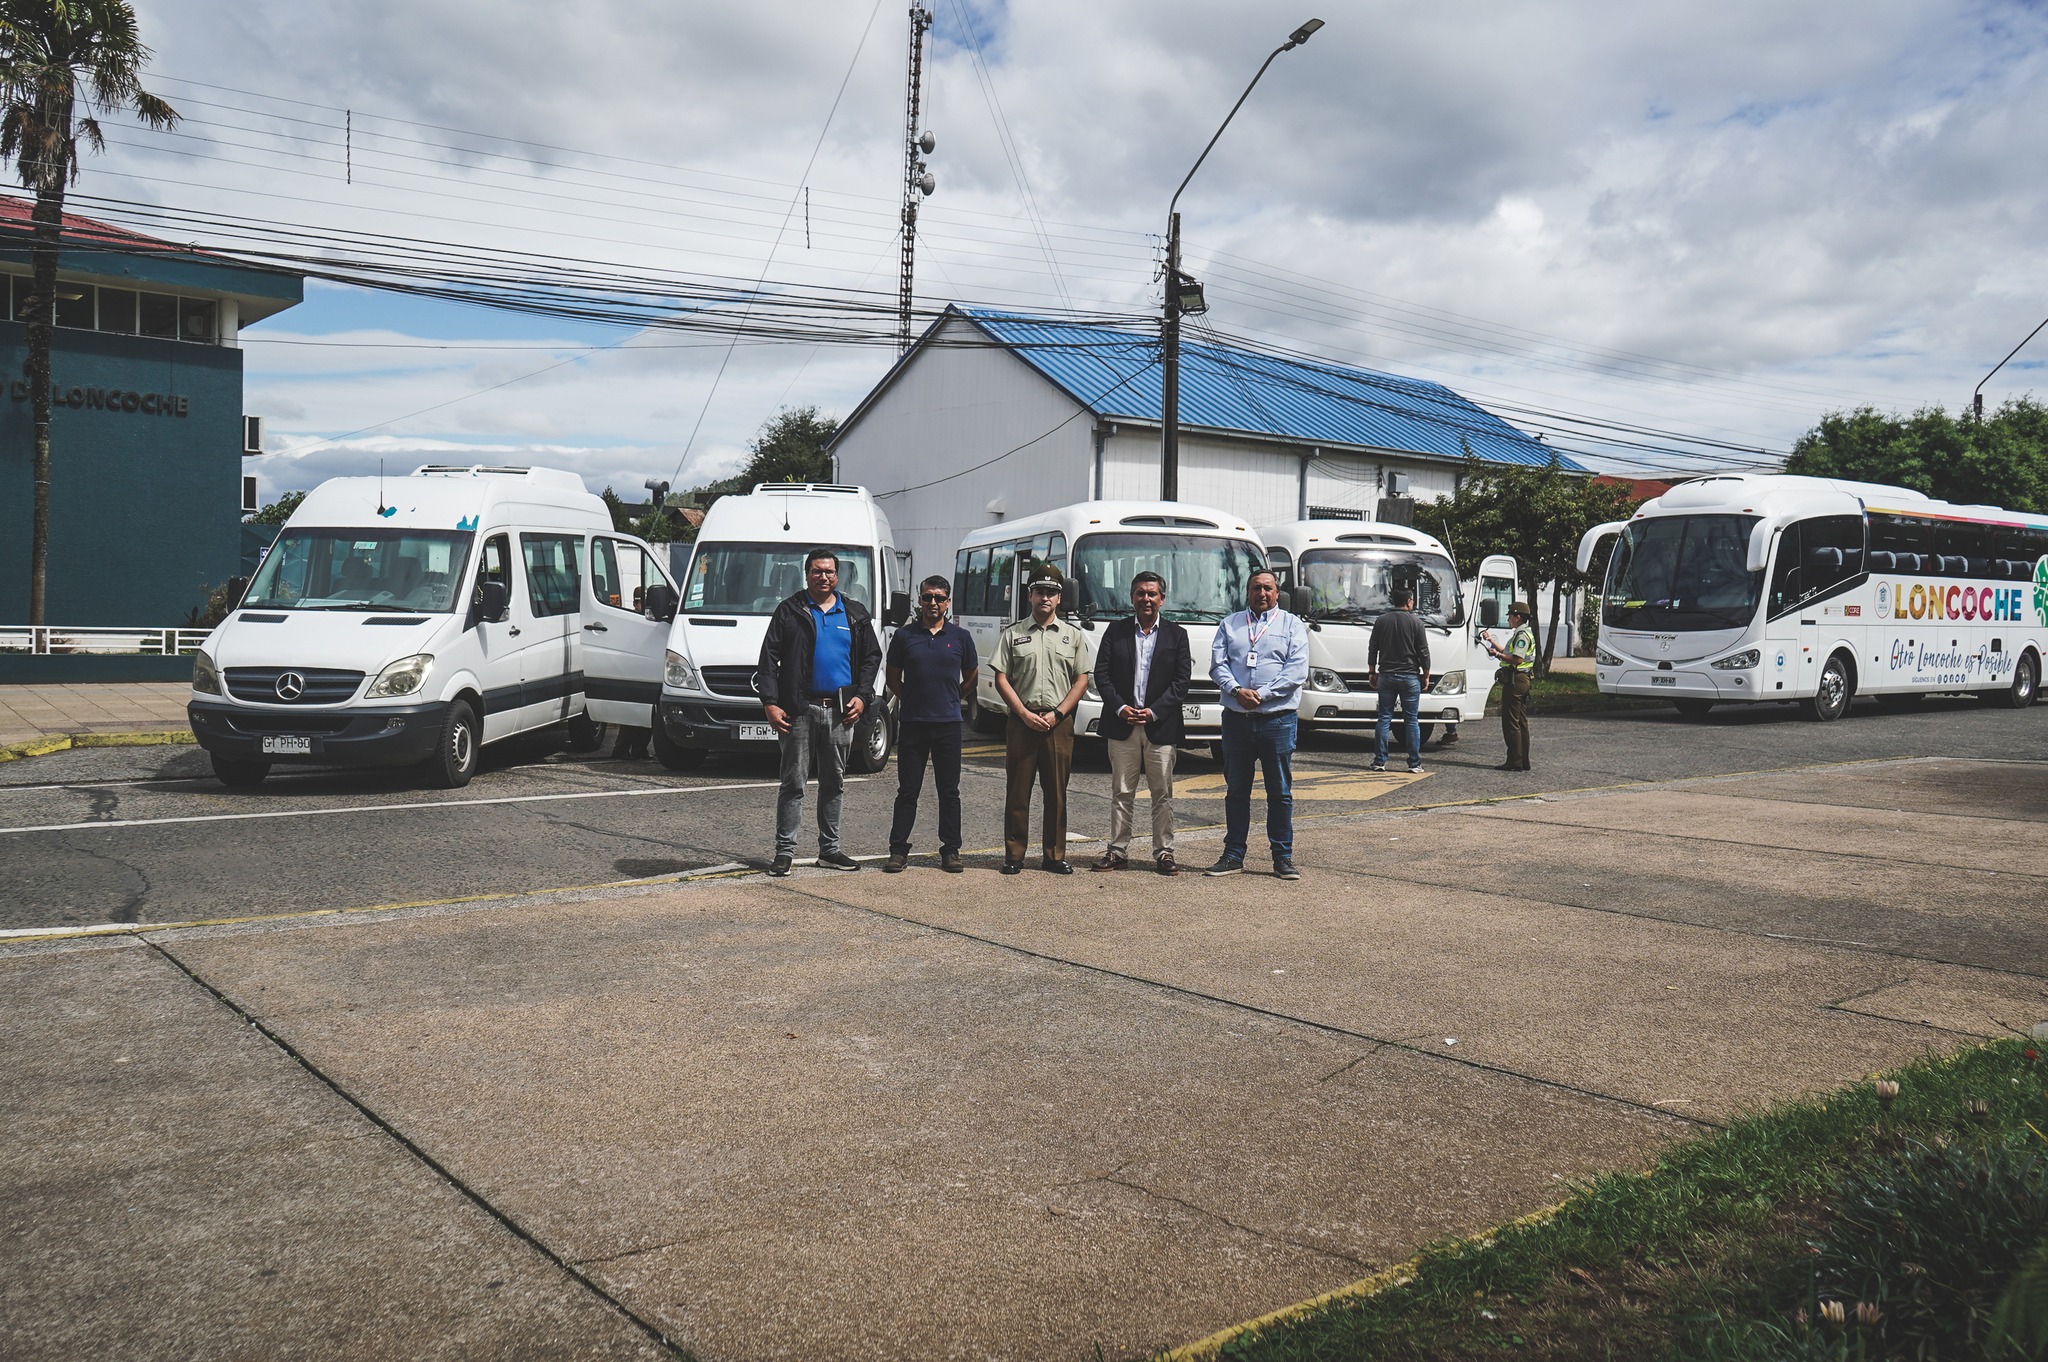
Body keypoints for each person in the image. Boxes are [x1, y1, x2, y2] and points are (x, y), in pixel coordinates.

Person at [756, 548, 882, 876]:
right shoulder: (790, 611)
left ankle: (830, 850)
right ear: (806, 574)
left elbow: (872, 657)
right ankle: (784, 852)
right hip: (799, 710)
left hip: (840, 712)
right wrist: (770, 702)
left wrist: (863, 697)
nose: (823, 577)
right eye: (816, 571)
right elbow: (768, 659)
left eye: (828, 572)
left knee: (834, 782)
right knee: (793, 783)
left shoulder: (854, 614)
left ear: (837, 576)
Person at [1206, 568, 1311, 880]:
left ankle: (1282, 857)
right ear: (1247, 592)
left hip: (1276, 720)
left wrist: (1261, 695)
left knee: (1279, 792)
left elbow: (1296, 671)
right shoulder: (1230, 624)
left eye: (1268, 588)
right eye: (1256, 588)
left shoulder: (1292, 625)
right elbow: (1218, 665)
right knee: (1236, 790)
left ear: (1277, 593)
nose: (1262, 594)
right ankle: (1233, 854)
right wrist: (1237, 691)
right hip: (1237, 720)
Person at [991, 566, 1093, 875]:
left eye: (1051, 592)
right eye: (1039, 592)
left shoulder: (1073, 636)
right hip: (1022, 722)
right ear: (1030, 595)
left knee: (1057, 792)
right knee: (1018, 792)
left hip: (1057, 722)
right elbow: (1001, 678)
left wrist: (1058, 712)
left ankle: (1054, 855)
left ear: (1059, 598)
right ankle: (1014, 855)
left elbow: (1081, 680)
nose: (1045, 597)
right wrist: (1022, 713)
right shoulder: (1013, 634)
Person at [1090, 571, 1192, 875]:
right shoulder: (1116, 631)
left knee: (1162, 794)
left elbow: (1181, 681)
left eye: (1151, 594)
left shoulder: (1177, 634)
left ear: (1162, 598)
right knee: (1122, 791)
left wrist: (1154, 711)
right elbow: (1102, 675)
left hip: (1160, 726)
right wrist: (1120, 707)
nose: (1145, 599)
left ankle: (1164, 852)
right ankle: (1118, 851)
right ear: (1132, 597)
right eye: (1140, 593)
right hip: (1123, 725)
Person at [883, 575, 978, 874]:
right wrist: (909, 698)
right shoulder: (904, 636)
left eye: (939, 598)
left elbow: (972, 674)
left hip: (948, 723)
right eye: (927, 597)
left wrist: (954, 696)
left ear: (948, 602)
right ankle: (898, 850)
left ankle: (951, 851)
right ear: (919, 600)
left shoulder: (961, 638)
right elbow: (893, 676)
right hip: (913, 723)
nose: (932, 603)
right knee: (908, 790)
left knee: (949, 791)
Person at [1366, 586, 1430, 774]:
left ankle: (1379, 761)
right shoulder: (1416, 623)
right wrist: (1426, 675)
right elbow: (1423, 652)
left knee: (1384, 718)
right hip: (1410, 676)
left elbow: (1373, 647)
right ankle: (1414, 763)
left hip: (1386, 675)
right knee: (1411, 719)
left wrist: (1371, 671)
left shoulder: (1381, 621)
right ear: (1409, 601)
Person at [1481, 600, 1537, 771]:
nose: (1508, 620)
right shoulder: (1523, 633)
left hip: (1516, 680)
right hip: (1521, 679)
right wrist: (1491, 641)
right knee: (1520, 722)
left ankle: (1514, 761)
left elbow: (1517, 659)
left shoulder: (1521, 636)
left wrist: (1496, 654)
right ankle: (1522, 761)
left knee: (1511, 722)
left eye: (1510, 617)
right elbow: (1509, 652)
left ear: (1518, 617)